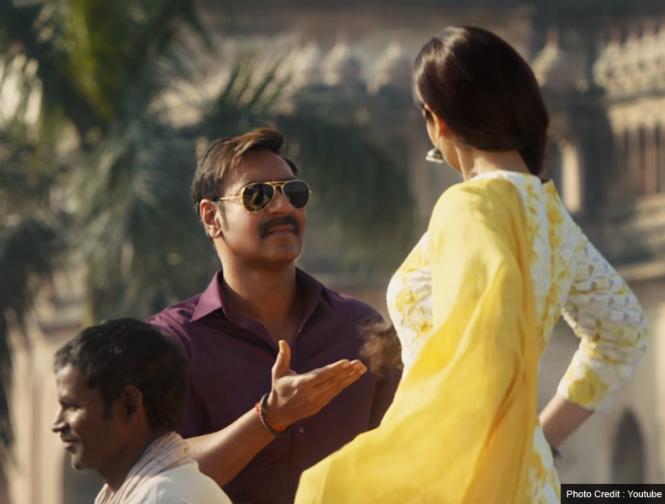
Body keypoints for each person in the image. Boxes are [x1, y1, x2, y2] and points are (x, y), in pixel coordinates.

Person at [295, 26, 649, 503]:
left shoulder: (469, 207)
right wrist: (538, 438)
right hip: (529, 482)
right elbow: (625, 332)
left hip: (458, 479)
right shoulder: (550, 217)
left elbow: (478, 355)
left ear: (436, 119)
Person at [149, 127, 401, 503]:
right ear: (211, 216)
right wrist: (269, 418)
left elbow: (400, 452)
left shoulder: (360, 329)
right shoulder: (173, 343)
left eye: (294, 193)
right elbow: (158, 478)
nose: (283, 207)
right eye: (258, 195)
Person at [52, 318, 231, 504]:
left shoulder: (164, 497)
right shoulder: (173, 489)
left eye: (72, 406)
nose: (57, 424)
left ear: (129, 405)